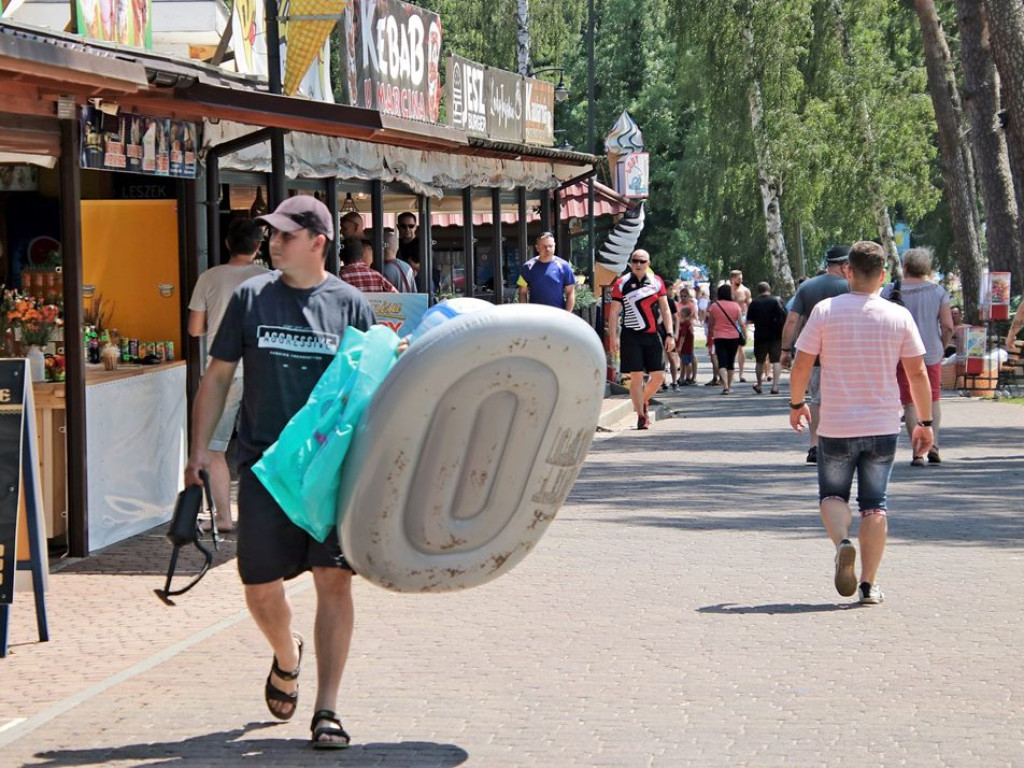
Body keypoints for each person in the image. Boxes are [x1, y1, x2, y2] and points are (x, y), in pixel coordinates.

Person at [185, 195, 377, 747]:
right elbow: (218, 376)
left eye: (286, 235)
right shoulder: (251, 297)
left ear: (318, 242)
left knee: (333, 580)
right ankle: (285, 655)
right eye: (271, 233)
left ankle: (327, 709)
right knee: (259, 586)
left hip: (330, 471)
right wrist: (199, 451)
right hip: (266, 468)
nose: (273, 242)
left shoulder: (350, 305)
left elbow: (369, 388)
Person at [788, 240, 933, 606]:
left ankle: (842, 543)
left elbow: (802, 363)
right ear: (883, 275)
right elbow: (917, 372)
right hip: (882, 425)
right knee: (875, 505)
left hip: (836, 424)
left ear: (848, 272)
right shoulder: (898, 316)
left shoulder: (825, 311)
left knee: (832, 496)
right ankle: (869, 585)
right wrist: (925, 421)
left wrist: (797, 403)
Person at [187, 218, 268, 533]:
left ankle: (223, 517)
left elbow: (195, 329)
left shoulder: (209, 277)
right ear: (258, 246)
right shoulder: (269, 278)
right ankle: (262, 517)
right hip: (260, 370)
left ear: (227, 244)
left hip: (223, 371)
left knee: (215, 449)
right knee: (262, 447)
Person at [881, 247, 954, 465]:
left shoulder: (891, 290)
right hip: (930, 351)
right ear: (927, 268)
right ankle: (934, 444)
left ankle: (917, 452)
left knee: (910, 402)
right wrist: (942, 346)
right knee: (933, 399)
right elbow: (948, 326)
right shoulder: (939, 292)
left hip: (901, 352)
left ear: (905, 267)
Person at [781, 245, 851, 463]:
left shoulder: (807, 287)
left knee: (817, 399)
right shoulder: (850, 287)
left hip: (814, 353)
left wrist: (785, 349)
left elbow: (792, 320)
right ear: (844, 266)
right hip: (846, 353)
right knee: (845, 398)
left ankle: (815, 446)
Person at [608, 249, 675, 429]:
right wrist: (613, 337)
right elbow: (614, 312)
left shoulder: (656, 282)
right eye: (635, 261)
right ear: (630, 263)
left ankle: (641, 400)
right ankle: (641, 416)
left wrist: (670, 334)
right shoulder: (622, 283)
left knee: (659, 376)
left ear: (648, 263)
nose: (638, 264)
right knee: (636, 376)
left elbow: (665, 309)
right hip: (631, 335)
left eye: (642, 261)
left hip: (652, 334)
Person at [516, 231, 576, 311]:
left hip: (558, 314)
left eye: (550, 246)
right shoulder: (527, 267)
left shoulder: (565, 266)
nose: (547, 249)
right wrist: (524, 312)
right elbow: (522, 292)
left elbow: (570, 292)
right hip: (536, 314)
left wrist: (567, 314)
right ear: (537, 247)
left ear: (554, 246)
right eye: (544, 246)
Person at [746, 281, 787, 395]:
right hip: (776, 335)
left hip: (760, 335)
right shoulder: (776, 301)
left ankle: (759, 385)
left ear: (758, 291)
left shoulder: (754, 302)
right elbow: (785, 316)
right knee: (776, 361)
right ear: (769, 289)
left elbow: (749, 320)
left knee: (760, 361)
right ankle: (775, 386)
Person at [706, 283, 744, 394]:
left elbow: (711, 324)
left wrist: (710, 335)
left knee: (722, 362)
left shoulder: (714, 306)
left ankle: (725, 385)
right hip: (734, 337)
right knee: (731, 362)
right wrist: (744, 334)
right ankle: (729, 386)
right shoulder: (736, 306)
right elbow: (740, 323)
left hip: (719, 336)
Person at [729, 270, 752, 381]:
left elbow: (750, 305)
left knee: (741, 346)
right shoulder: (727, 290)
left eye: (741, 278)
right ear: (732, 279)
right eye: (738, 278)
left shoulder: (745, 291)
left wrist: (749, 319)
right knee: (730, 346)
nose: (740, 280)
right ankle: (731, 372)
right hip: (729, 319)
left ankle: (741, 374)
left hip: (741, 319)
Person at [381, 227, 417, 292]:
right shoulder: (408, 267)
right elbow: (415, 293)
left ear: (382, 247)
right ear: (397, 247)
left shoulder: (384, 271)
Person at [676, 286, 699, 384]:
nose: (683, 298)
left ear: (689, 296)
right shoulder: (678, 305)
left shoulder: (691, 305)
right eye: (681, 296)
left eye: (685, 296)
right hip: (680, 328)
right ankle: (682, 376)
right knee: (683, 357)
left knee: (690, 355)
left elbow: (694, 317)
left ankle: (692, 376)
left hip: (688, 329)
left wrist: (689, 322)